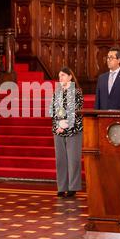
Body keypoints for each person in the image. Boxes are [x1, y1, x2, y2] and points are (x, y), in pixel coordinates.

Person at [49, 67, 83, 198]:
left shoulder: (77, 92)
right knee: (60, 160)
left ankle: (73, 187)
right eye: (59, 76)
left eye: (63, 75)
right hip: (58, 129)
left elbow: (74, 110)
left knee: (73, 159)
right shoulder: (57, 92)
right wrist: (58, 124)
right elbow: (52, 110)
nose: (60, 78)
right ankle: (61, 187)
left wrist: (64, 123)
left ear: (70, 77)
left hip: (73, 129)